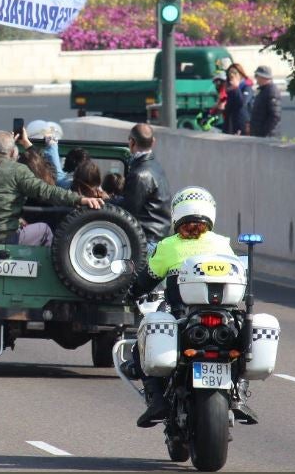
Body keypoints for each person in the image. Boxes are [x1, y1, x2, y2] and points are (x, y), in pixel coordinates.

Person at [134, 186, 238, 427]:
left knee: (140, 344)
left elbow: (146, 279)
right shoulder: (222, 244)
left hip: (182, 317)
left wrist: (131, 292)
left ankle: (156, 400)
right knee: (238, 341)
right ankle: (239, 394)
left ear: (176, 214)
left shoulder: (168, 246)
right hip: (223, 317)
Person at [0, 130, 102, 247]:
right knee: (45, 230)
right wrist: (80, 199)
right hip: (7, 238)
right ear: (12, 152)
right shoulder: (18, 171)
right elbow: (47, 191)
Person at [121, 123, 172, 247]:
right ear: (153, 142)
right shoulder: (154, 166)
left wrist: (104, 202)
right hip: (159, 235)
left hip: (147, 238)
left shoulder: (140, 174)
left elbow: (127, 210)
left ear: (132, 142)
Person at [249, 65, 282, 138]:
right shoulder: (262, 90)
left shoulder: (271, 91)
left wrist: (265, 132)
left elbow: (275, 115)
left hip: (268, 136)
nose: (256, 79)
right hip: (259, 134)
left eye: (257, 76)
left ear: (262, 77)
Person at [223, 65, 249, 135]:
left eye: (234, 73)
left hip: (242, 124)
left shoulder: (246, 87)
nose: (231, 76)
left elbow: (242, 103)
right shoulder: (231, 90)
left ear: (240, 74)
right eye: (230, 74)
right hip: (231, 123)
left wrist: (236, 88)